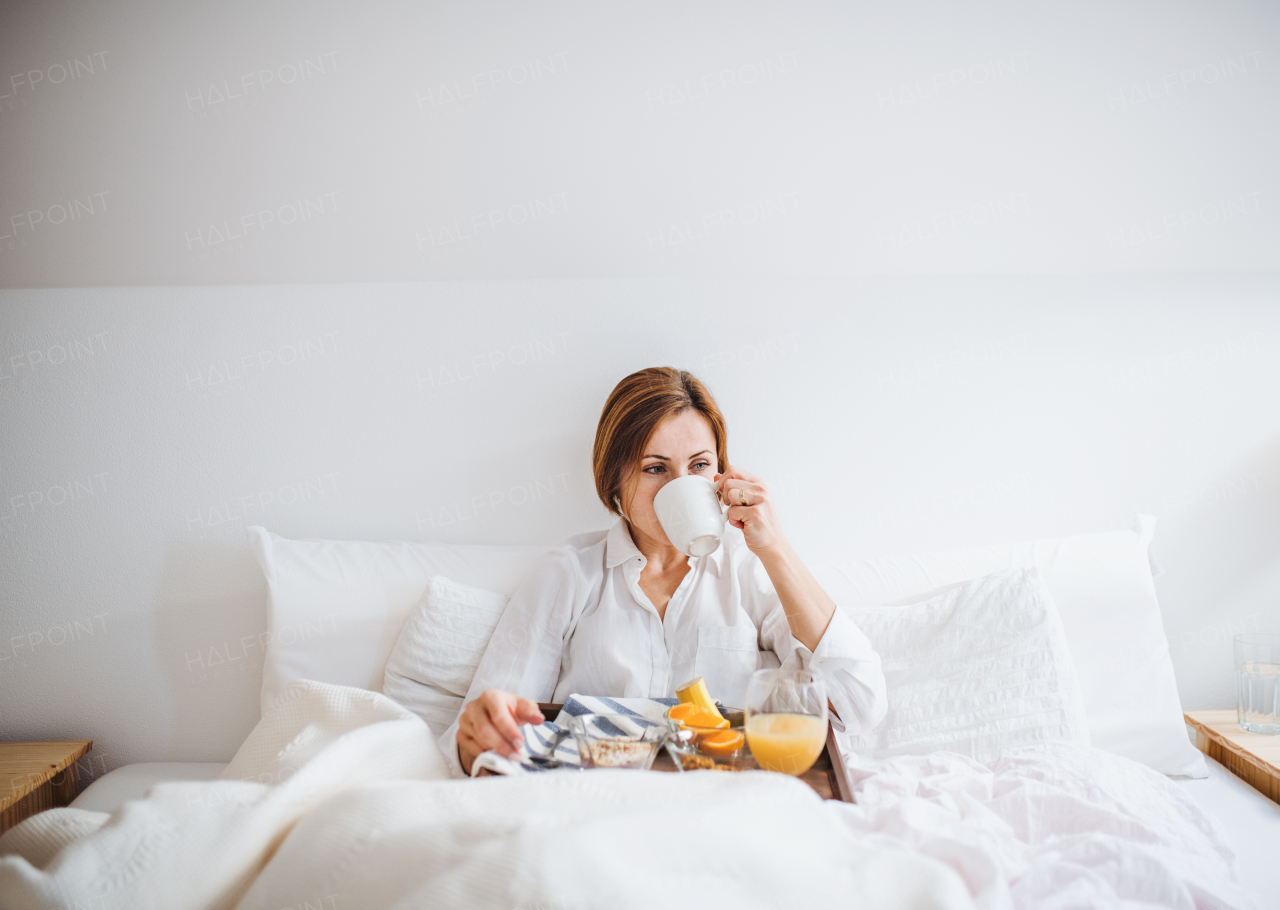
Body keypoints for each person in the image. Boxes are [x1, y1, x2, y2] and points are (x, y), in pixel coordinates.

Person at [442, 367, 886, 775]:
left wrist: (775, 547)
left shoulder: (749, 571)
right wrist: (479, 735)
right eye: (655, 468)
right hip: (596, 798)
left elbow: (859, 704)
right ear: (614, 480)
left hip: (722, 799)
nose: (680, 487)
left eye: (698, 466)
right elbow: (479, 739)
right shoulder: (570, 574)